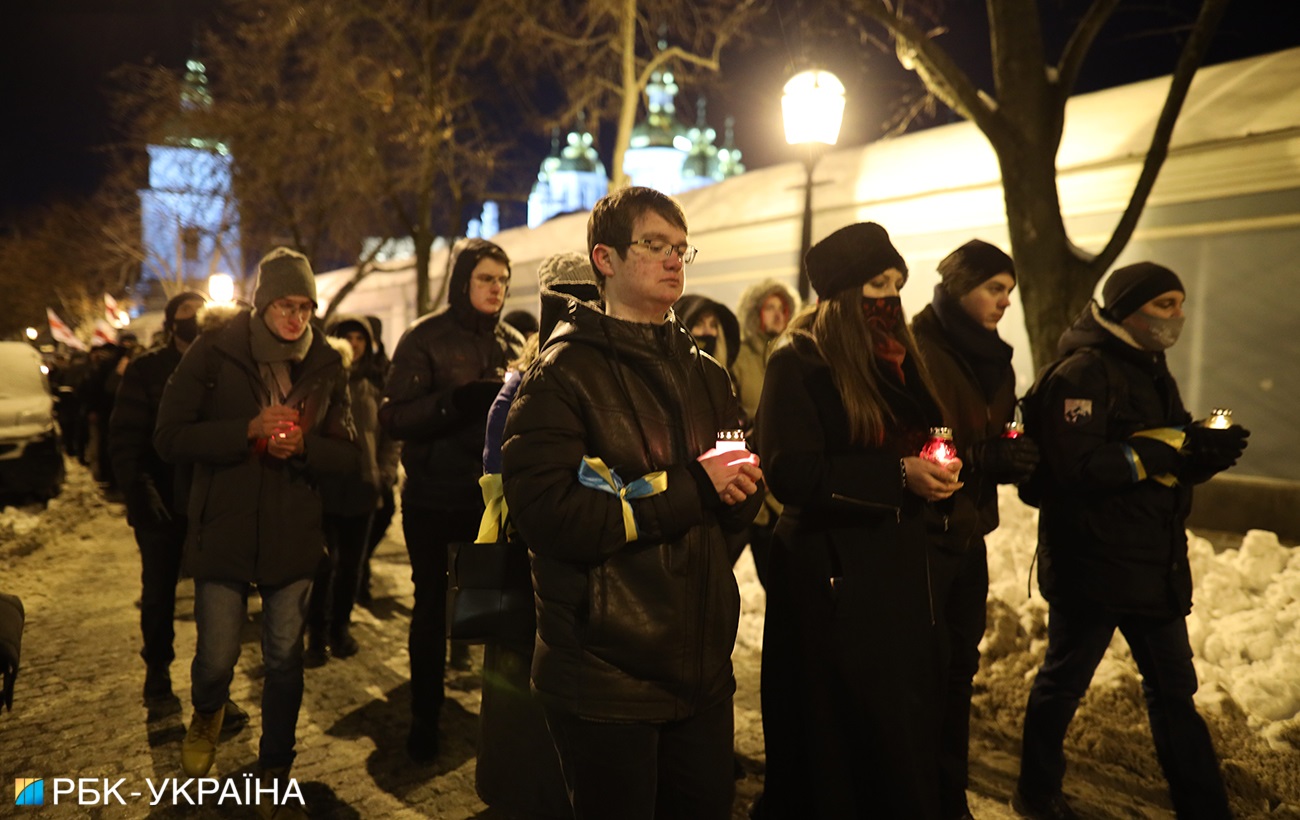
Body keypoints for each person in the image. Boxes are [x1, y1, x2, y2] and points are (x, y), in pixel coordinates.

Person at [501, 187, 764, 820]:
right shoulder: (562, 374)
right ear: (606, 258)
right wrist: (695, 489)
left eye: (681, 248)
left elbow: (730, 499)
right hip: (603, 673)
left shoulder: (706, 373)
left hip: (701, 668)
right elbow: (549, 517)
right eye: (654, 245)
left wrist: (736, 495)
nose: (675, 259)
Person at [1012, 262, 1248, 820]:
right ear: (1126, 309)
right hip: (1092, 565)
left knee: (1174, 693)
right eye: (1165, 305)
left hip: (1150, 562)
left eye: (1181, 305)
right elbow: (1077, 469)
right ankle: (1036, 790)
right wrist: (1168, 451)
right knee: (1063, 682)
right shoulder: (1082, 374)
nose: (1178, 317)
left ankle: (1203, 806)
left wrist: (1200, 458)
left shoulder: (1150, 369)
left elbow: (1160, 457)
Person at [755, 222, 961, 819]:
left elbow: (924, 435)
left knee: (895, 730)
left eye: (897, 282)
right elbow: (791, 471)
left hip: (897, 572)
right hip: (831, 580)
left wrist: (940, 466)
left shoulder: (897, 359)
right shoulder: (800, 361)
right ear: (843, 293)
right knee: (832, 739)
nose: (891, 296)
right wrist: (897, 476)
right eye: (877, 283)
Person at [154, 248, 357, 813]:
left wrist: (305, 448)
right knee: (217, 655)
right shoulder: (214, 352)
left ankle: (276, 759)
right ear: (261, 303)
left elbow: (348, 455)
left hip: (293, 535)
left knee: (284, 657)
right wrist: (245, 429)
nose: (296, 319)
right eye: (285, 306)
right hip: (224, 529)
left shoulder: (327, 364)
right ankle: (207, 712)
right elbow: (168, 436)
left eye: (306, 307)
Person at [378, 237, 525, 762]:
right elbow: (392, 416)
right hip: (434, 498)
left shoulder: (512, 340)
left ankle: (498, 724)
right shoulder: (425, 338)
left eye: (503, 280)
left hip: (490, 501)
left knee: (491, 611)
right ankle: (425, 716)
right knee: (431, 608)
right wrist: (456, 403)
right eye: (486, 278)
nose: (496, 288)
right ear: (463, 282)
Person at [911, 240, 1040, 819]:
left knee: (961, 666)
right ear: (960, 286)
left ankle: (948, 795)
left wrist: (1014, 452)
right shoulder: (918, 349)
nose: (1004, 302)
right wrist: (981, 458)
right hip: (923, 534)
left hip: (970, 531)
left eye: (1009, 291)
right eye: (994, 288)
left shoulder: (995, 356)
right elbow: (911, 439)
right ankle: (921, 793)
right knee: (927, 670)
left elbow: (996, 428)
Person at [474, 251, 594, 819]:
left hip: (564, 556)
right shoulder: (522, 384)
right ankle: (521, 793)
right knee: (519, 681)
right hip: (524, 556)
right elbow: (499, 476)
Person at [109, 291, 212, 709]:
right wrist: (141, 491)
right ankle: (158, 669)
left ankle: (213, 681)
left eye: (199, 311)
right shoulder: (147, 369)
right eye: (185, 312)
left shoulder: (219, 365)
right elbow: (126, 438)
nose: (193, 318)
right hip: (161, 500)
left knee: (216, 596)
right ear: (171, 322)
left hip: (209, 502)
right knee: (159, 592)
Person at [305, 315, 400, 666]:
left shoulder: (380, 380)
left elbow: (391, 434)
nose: (355, 343)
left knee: (351, 567)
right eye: (348, 337)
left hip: (363, 484)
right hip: (326, 484)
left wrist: (385, 473)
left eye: (362, 337)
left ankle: (339, 629)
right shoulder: (322, 376)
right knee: (322, 565)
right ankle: (316, 633)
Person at [730, 279, 800, 589]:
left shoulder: (795, 356)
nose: (775, 314)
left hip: (781, 491)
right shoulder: (738, 357)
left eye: (781, 308)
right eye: (768, 307)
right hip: (745, 480)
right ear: (754, 313)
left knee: (781, 584)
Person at [674, 293, 740, 370]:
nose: (707, 331)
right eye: (698, 324)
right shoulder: (666, 376)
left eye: (713, 325)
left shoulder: (728, 379)